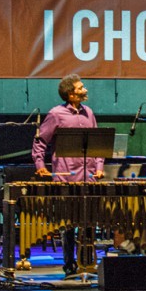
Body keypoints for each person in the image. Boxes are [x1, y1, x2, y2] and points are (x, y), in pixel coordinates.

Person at [32, 74, 106, 275]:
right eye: (81, 88)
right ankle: (69, 264)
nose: (85, 90)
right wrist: (40, 164)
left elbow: (97, 145)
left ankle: (87, 262)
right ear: (71, 94)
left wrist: (99, 167)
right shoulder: (56, 114)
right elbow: (40, 142)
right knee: (68, 224)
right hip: (66, 177)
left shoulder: (89, 113)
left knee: (89, 221)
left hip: (89, 177)